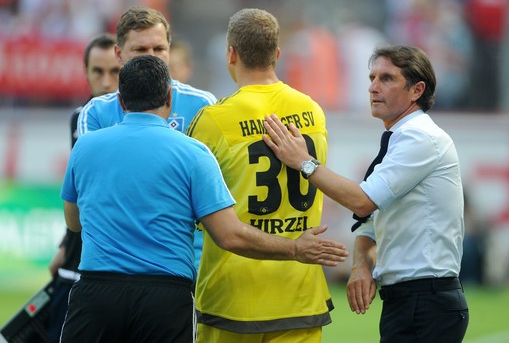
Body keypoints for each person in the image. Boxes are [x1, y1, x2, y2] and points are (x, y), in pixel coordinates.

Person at [59, 55, 348, 342]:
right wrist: (296, 249)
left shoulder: (85, 146)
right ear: (170, 99)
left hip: (96, 292)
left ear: (120, 102)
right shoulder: (193, 153)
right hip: (165, 296)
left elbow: (74, 222)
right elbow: (229, 235)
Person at [263, 45, 469, 343]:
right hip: (410, 300)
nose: (373, 87)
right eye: (372, 77)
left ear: (417, 90)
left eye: (387, 78)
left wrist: (304, 162)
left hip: (427, 300)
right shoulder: (400, 137)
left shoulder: (421, 137)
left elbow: (362, 200)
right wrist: (362, 265)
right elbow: (369, 219)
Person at [186, 8, 332, 342]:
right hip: (300, 295)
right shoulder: (312, 110)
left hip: (233, 299)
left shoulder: (214, 119)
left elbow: (190, 208)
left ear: (231, 53)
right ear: (277, 54)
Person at [76, 6, 215, 278]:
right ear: (119, 54)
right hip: (113, 268)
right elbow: (88, 196)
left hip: (187, 267)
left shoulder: (203, 105)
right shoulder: (95, 112)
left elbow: (212, 191)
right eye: (141, 50)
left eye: (159, 49)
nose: (152, 58)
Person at [46, 32, 120, 343]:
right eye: (97, 71)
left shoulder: (137, 119)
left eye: (114, 71)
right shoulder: (80, 118)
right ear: (86, 72)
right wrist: (66, 244)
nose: (105, 81)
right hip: (82, 255)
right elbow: (79, 191)